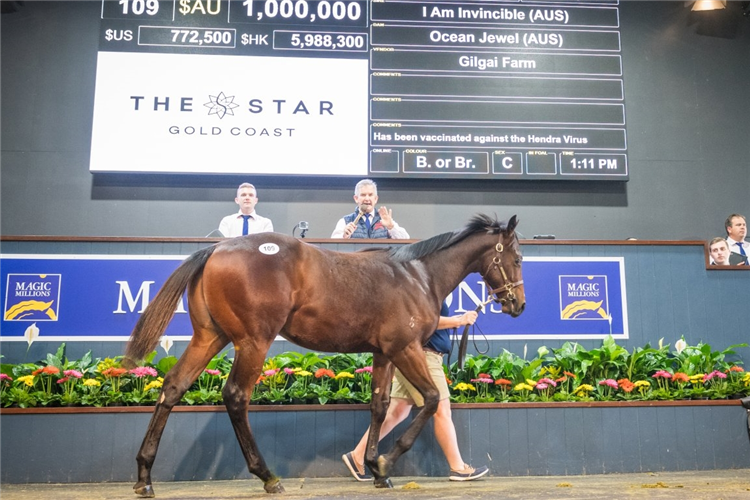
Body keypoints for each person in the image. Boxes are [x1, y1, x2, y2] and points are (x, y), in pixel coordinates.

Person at [342, 302, 489, 483]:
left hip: (417, 355)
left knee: (397, 412)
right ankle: (458, 468)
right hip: (422, 358)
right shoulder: (423, 287)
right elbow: (422, 320)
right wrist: (458, 320)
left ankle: (357, 455)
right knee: (442, 410)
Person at [331, 179, 409, 239]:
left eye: (370, 195)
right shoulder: (345, 221)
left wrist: (391, 227)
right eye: (363, 195)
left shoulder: (385, 220)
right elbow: (333, 245)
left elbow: (406, 240)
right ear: (356, 198)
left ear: (375, 199)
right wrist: (344, 236)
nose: (367, 199)